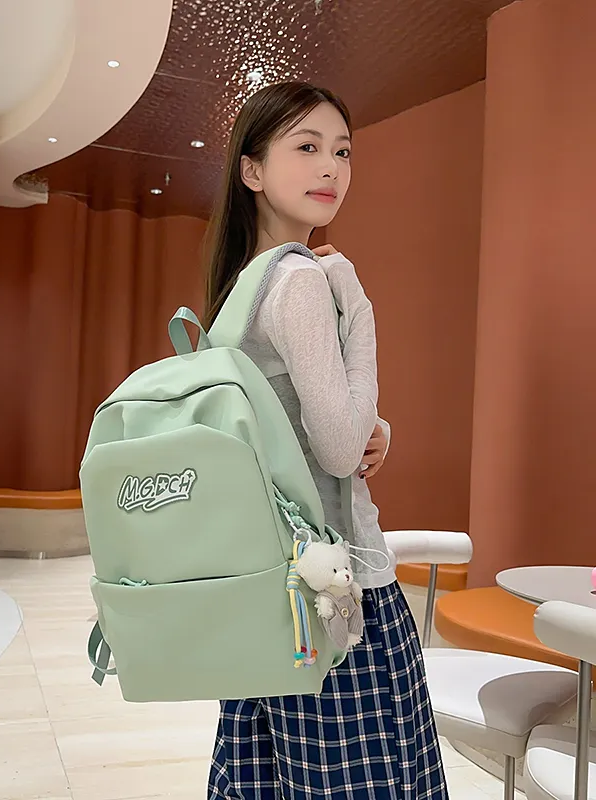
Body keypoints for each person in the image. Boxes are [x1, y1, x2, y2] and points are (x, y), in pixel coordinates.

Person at [204, 81, 448, 799]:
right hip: (338, 593)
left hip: (270, 589)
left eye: (342, 152)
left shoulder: (241, 288)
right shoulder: (306, 281)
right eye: (306, 147)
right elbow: (341, 451)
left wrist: (373, 425)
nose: (331, 168)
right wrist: (356, 303)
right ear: (252, 170)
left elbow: (302, 426)